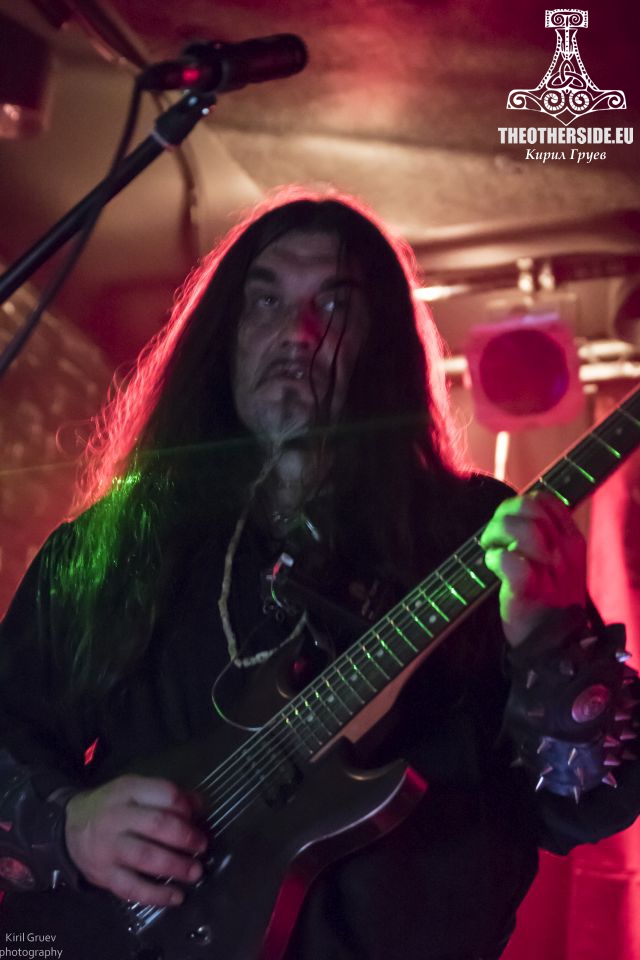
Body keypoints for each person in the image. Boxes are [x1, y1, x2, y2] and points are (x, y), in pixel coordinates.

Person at [0, 188, 638, 960]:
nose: (296, 334)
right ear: (227, 335)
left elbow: (590, 803)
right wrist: (71, 828)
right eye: (265, 301)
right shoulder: (116, 545)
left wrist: (549, 634)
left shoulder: (472, 529)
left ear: (383, 345)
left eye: (333, 305)